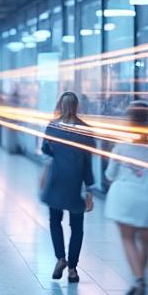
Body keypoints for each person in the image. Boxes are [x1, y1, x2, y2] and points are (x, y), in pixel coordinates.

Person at [103, 101, 148, 295]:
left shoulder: (121, 147)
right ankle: (141, 276)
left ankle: (139, 279)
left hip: (125, 198)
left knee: (127, 239)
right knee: (147, 242)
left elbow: (110, 175)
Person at [40, 92, 96, 282]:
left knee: (54, 221)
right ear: (77, 106)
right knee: (77, 226)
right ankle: (72, 269)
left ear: (60, 105)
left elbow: (45, 149)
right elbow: (88, 161)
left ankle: (60, 258)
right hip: (77, 182)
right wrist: (89, 188)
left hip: (56, 178)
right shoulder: (86, 130)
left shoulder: (53, 126)